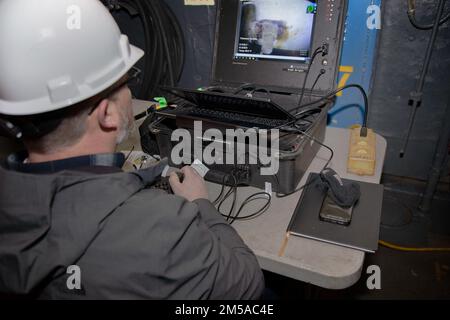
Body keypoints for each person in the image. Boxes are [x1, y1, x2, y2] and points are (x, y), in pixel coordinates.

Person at [0, 0, 264, 299]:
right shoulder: (159, 228)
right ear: (107, 114)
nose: (131, 92)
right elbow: (247, 283)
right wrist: (202, 204)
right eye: (127, 79)